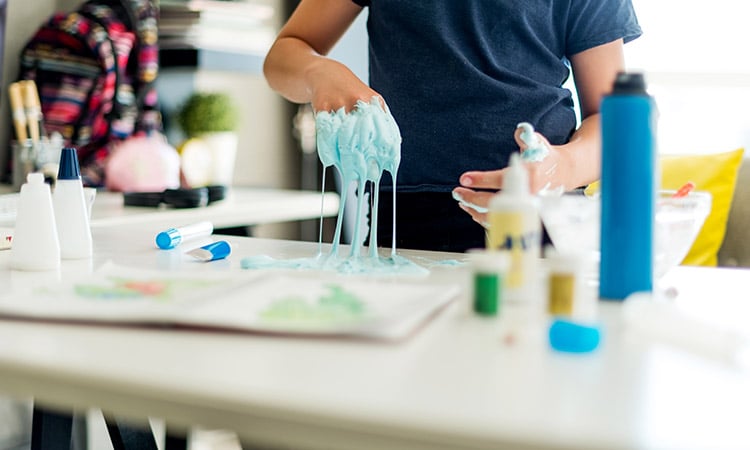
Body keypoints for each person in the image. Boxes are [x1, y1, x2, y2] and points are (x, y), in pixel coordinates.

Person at [263, 0, 642, 253]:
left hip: (541, 221)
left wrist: (559, 168)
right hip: (405, 223)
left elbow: (612, 120)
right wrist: (318, 71)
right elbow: (285, 53)